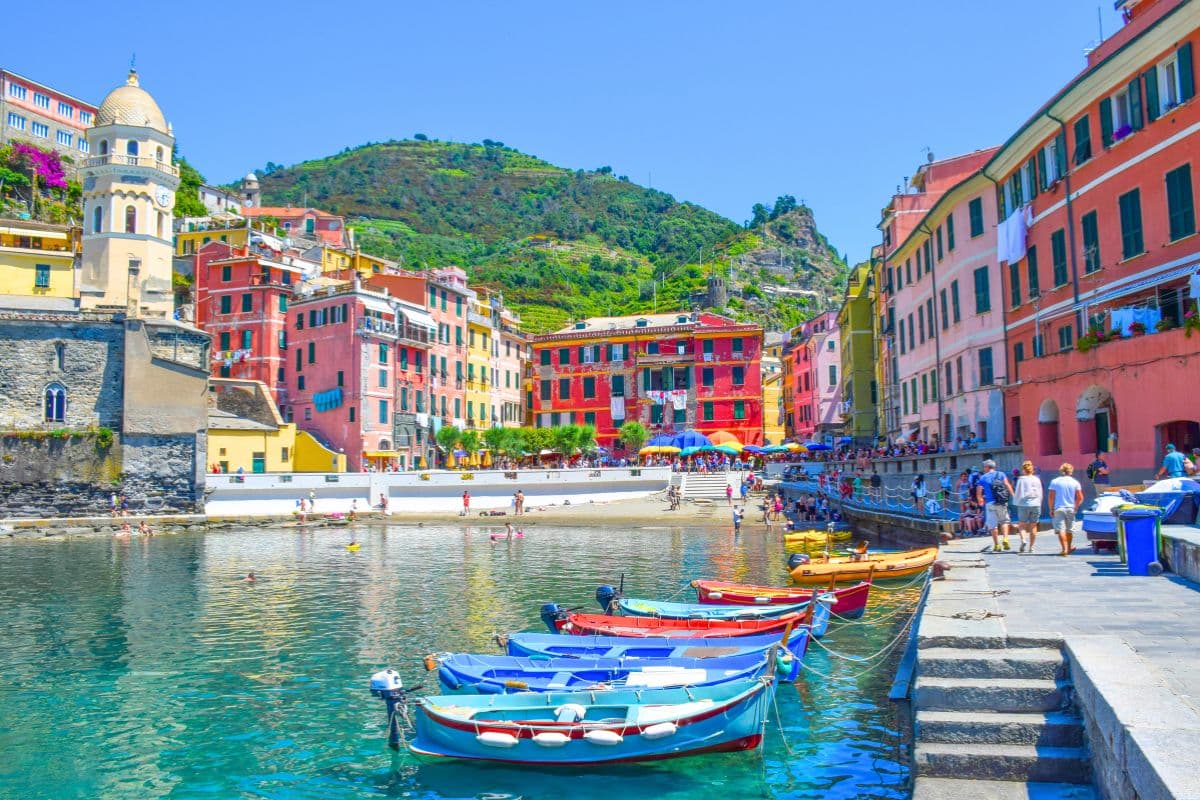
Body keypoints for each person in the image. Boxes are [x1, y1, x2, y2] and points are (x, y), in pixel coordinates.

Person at [976, 459, 1014, 553]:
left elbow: (979, 490)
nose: (983, 468)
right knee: (1004, 521)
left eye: (984, 466)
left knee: (993, 525)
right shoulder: (1001, 474)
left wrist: (980, 499)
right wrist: (1013, 495)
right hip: (1001, 501)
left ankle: (997, 545)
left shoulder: (983, 477)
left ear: (987, 467)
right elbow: (1007, 484)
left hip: (990, 503)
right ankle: (1005, 539)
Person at [1047, 463, 1084, 556]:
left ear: (1061, 470)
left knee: (1061, 530)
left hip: (1058, 508)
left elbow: (1051, 497)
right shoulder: (1075, 482)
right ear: (1071, 471)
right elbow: (1080, 497)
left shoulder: (1055, 481)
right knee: (1069, 530)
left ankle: (1064, 549)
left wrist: (1051, 509)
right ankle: (1069, 547)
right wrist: (1076, 506)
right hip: (1070, 508)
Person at [1013, 460, 1043, 553]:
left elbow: (1018, 492)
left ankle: (1023, 540)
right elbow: (1040, 492)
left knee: (1022, 525)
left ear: (1023, 470)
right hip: (1035, 503)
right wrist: (1039, 503)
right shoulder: (1037, 479)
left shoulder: (1021, 479)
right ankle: (1031, 547)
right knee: (1033, 526)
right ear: (1032, 470)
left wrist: (1016, 502)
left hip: (1023, 504)